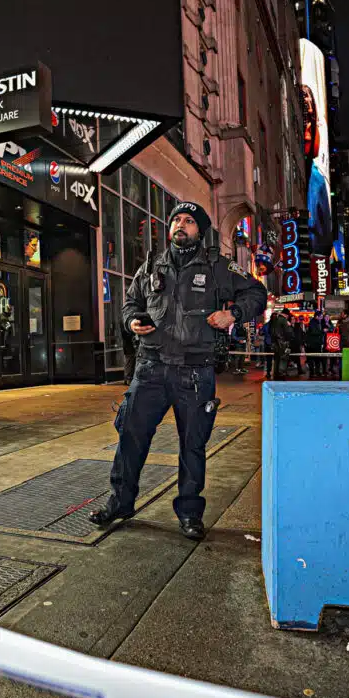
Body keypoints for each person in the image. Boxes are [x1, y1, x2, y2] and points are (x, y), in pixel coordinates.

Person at [90, 201, 267, 540]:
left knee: (193, 444)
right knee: (131, 436)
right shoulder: (151, 266)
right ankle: (121, 502)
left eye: (188, 221)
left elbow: (257, 293)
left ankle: (189, 513)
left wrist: (234, 315)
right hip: (150, 369)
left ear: (200, 230)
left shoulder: (219, 267)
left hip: (195, 373)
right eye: (176, 220)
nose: (180, 225)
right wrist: (131, 321)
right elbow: (130, 303)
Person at [269, 309, 294, 379]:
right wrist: (289, 326)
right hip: (282, 343)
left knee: (276, 359)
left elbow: (271, 331)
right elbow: (287, 333)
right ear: (286, 315)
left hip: (275, 343)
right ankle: (281, 374)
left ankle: (276, 374)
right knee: (283, 359)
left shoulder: (275, 319)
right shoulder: (284, 320)